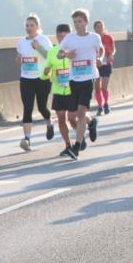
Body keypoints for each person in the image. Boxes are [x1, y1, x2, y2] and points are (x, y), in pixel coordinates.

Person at [57, 9, 102, 157]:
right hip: (74, 79)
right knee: (75, 114)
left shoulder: (94, 37)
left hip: (88, 78)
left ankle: (76, 146)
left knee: (81, 112)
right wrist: (67, 54)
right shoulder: (69, 38)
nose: (77, 24)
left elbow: (100, 50)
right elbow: (59, 54)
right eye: (75, 22)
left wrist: (100, 58)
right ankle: (91, 123)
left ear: (86, 22)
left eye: (80, 21)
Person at [15, 13, 54, 151]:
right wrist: (18, 60)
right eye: (27, 25)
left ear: (38, 27)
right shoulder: (21, 42)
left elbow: (50, 58)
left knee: (42, 107)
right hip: (26, 78)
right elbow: (20, 58)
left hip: (42, 78)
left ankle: (49, 122)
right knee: (27, 107)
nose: (29, 28)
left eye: (32, 25)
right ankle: (27, 139)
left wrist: (38, 48)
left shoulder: (43, 40)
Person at [43, 24, 78, 159]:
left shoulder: (76, 49)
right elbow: (46, 71)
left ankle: (83, 135)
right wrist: (46, 72)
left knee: (73, 119)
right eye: (59, 36)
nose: (62, 39)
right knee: (61, 119)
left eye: (65, 36)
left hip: (72, 89)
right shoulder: (52, 51)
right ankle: (68, 145)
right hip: (58, 90)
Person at [93, 20, 116, 115]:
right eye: (97, 26)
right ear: (94, 28)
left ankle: (106, 104)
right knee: (97, 87)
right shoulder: (92, 38)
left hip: (106, 64)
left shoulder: (108, 37)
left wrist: (111, 55)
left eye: (101, 26)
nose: (99, 28)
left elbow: (113, 49)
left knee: (104, 87)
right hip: (96, 65)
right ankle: (99, 106)